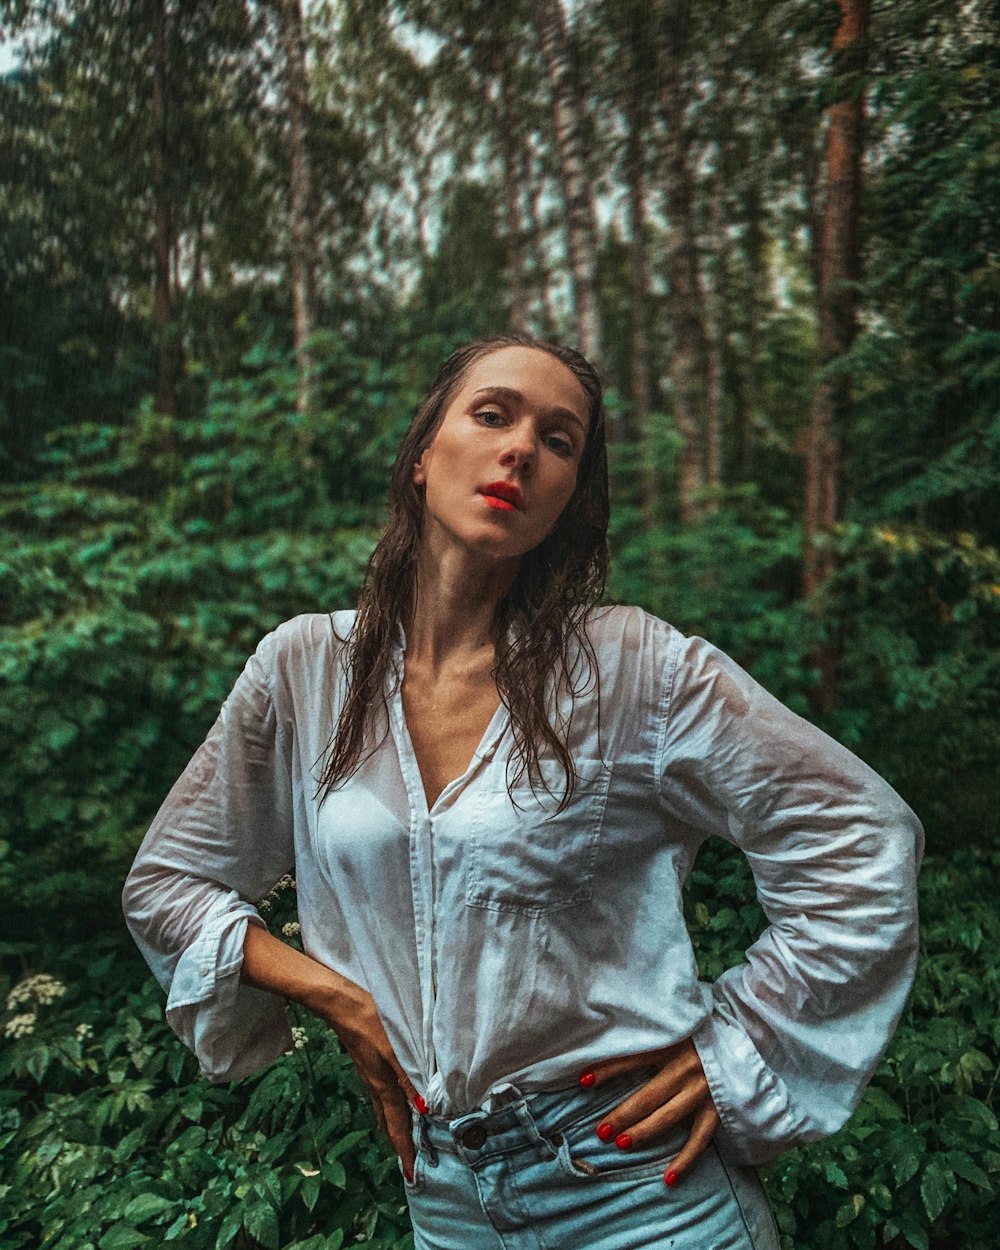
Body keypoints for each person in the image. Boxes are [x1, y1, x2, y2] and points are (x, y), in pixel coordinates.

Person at [123, 336, 923, 1250]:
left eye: (560, 441)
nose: (520, 452)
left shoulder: (631, 667)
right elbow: (168, 885)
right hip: (446, 1199)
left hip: (638, 1189)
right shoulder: (306, 671)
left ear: (569, 498)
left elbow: (859, 836)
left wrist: (739, 1047)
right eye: (494, 415)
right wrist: (334, 996)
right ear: (424, 454)